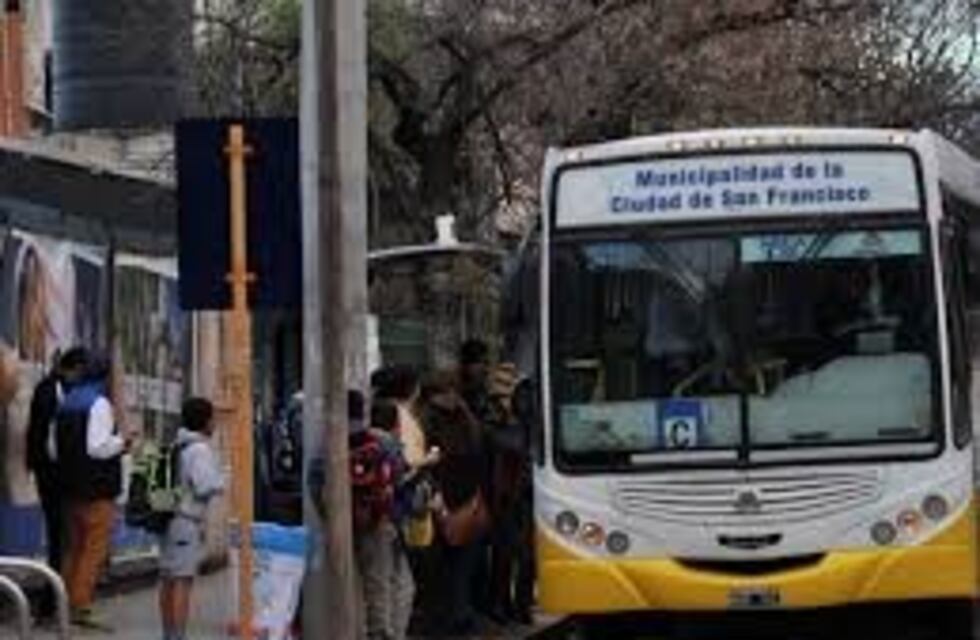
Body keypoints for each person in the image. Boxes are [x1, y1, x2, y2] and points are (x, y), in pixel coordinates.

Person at [55, 354, 131, 630]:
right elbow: (97, 447)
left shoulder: (68, 401)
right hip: (96, 489)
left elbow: (53, 447)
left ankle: (64, 603)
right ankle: (82, 606)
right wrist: (122, 442)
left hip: (70, 487)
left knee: (73, 549)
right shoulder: (99, 403)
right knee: (93, 550)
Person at [25, 346, 88, 621]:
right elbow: (39, 432)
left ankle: (56, 600)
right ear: (70, 368)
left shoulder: (63, 390)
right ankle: (52, 602)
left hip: (60, 473)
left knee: (63, 537)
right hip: (53, 474)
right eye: (79, 371)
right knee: (59, 537)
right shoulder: (50, 390)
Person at [423, 371, 488, 635]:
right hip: (464, 499)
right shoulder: (467, 419)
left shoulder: (430, 419)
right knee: (460, 565)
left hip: (447, 499)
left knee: (446, 566)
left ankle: (450, 618)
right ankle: (460, 617)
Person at [159, 397, 225, 640]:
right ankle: (178, 636)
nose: (215, 423)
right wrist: (222, 480)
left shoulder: (177, 443)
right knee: (182, 581)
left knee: (168, 579)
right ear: (205, 421)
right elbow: (204, 486)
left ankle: (168, 634)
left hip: (167, 518)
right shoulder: (199, 449)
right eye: (213, 418)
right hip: (185, 521)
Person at [354, 396, 415, 640]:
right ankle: (387, 633)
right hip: (381, 521)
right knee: (393, 584)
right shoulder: (387, 443)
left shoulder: (350, 439)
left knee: (367, 583)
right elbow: (399, 480)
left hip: (352, 520)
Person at [485, 365, 534, 625]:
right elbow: (507, 446)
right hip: (504, 497)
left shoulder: (526, 421)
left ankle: (521, 605)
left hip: (525, 494)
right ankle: (500, 604)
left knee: (526, 555)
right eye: (501, 396)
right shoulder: (491, 422)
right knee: (504, 555)